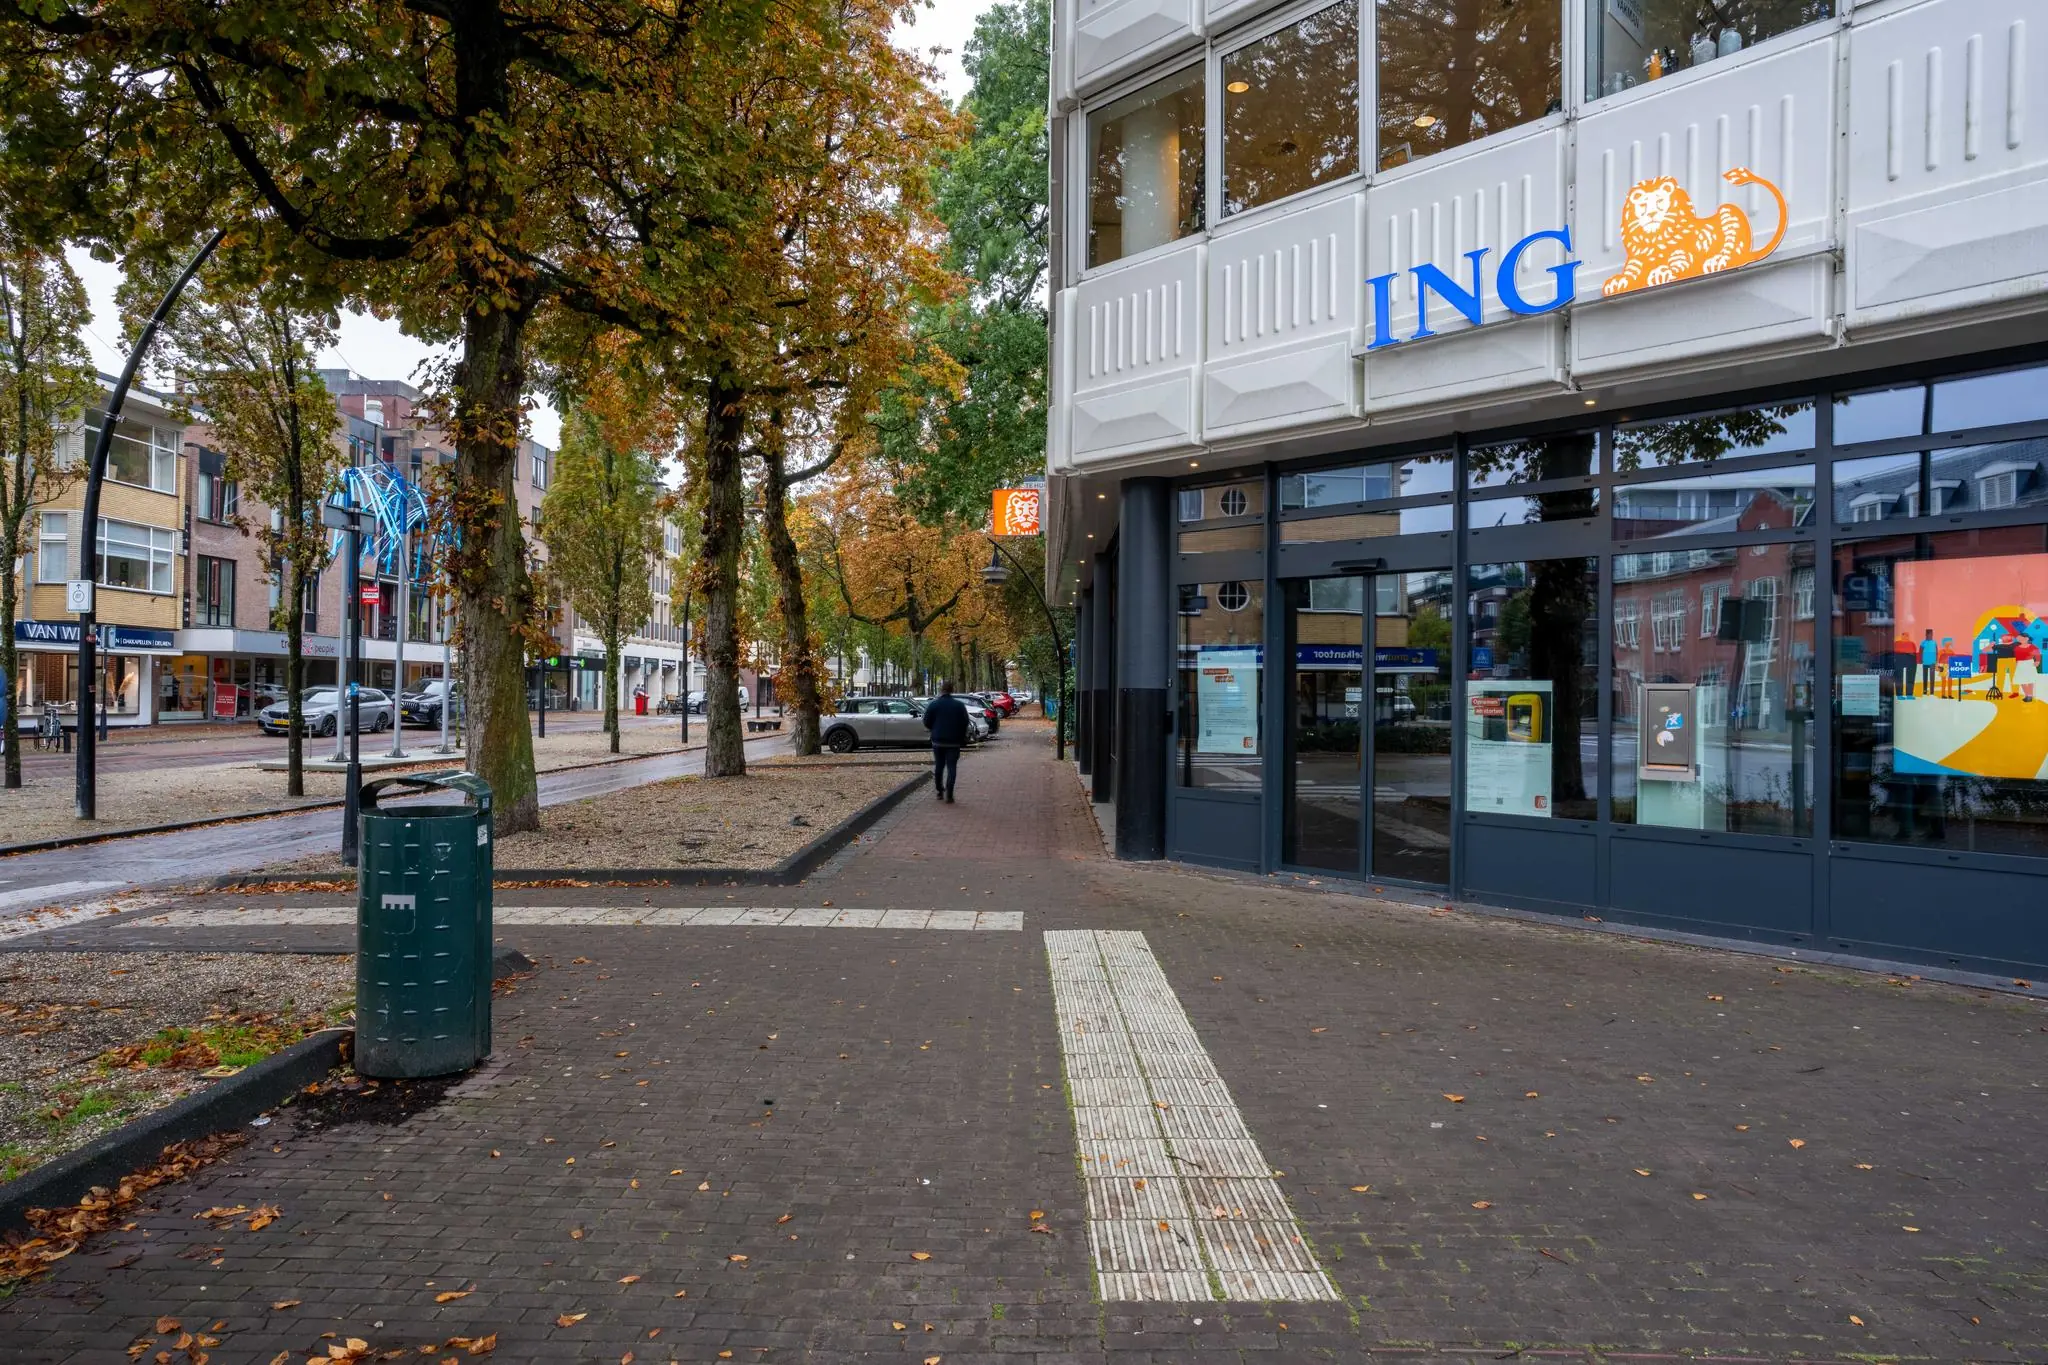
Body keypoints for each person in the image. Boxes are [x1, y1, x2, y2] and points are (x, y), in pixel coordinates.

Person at [921, 679, 971, 803]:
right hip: (954, 741)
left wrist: (934, 729)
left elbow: (926, 721)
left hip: (938, 741)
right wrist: (960, 734)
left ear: (941, 690)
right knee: (952, 767)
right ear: (952, 690)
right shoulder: (959, 705)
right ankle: (950, 793)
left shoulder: (934, 704)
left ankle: (939, 790)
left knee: (939, 765)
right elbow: (965, 722)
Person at [1919, 628, 1939, 700]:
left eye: (1931, 634)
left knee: (1932, 677)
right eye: (1928, 634)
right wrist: (1920, 660)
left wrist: (1936, 660)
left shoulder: (1934, 642)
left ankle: (1932, 692)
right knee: (1925, 677)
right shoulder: (1923, 642)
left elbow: (1936, 652)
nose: (1930, 636)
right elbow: (1920, 651)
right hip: (1925, 662)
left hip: (1932, 662)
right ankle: (1924, 691)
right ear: (1926, 635)